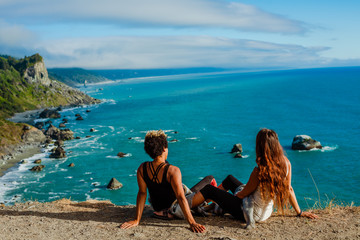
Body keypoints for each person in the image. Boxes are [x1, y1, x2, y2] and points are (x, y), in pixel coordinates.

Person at [191, 128, 318, 224]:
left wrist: (228, 199)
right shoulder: (286, 163)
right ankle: (205, 206)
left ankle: (186, 208)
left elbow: (244, 193)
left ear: (261, 147)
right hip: (266, 213)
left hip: (249, 212)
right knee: (230, 179)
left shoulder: (260, 170)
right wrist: (299, 212)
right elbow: (289, 189)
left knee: (209, 190)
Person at [120, 130, 209, 233]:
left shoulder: (142, 168)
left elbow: (142, 193)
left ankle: (207, 205)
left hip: (158, 207)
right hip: (174, 208)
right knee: (209, 189)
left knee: (206, 181)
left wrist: (137, 220)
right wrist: (192, 223)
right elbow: (180, 197)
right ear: (163, 149)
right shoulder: (173, 170)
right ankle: (209, 206)